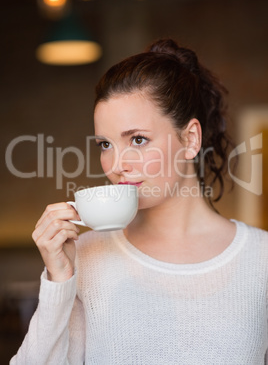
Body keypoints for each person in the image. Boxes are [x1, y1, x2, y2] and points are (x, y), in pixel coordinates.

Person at [11, 39, 268, 364]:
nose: (116, 164)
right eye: (105, 144)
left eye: (138, 139)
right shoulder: (86, 257)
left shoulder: (261, 260)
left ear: (190, 139)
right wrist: (59, 281)